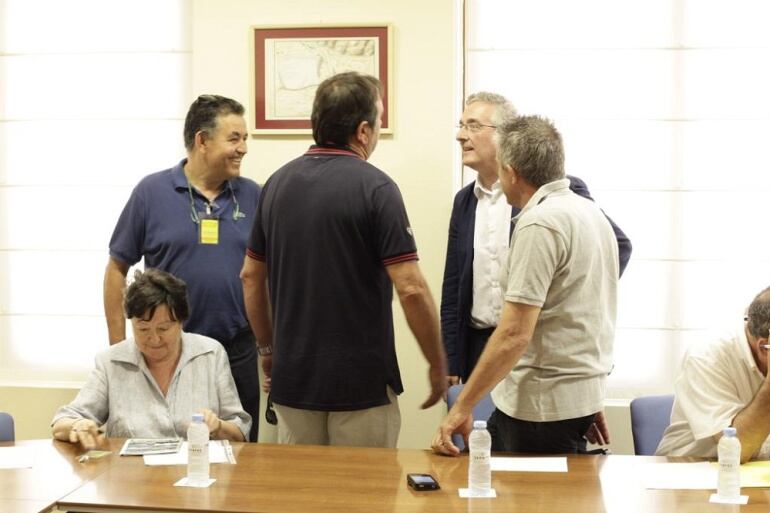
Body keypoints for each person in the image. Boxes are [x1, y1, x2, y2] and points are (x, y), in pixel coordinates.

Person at [240, 71, 447, 448]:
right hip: (362, 386)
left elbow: (251, 278)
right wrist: (436, 362)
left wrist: (268, 351)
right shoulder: (377, 188)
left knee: (300, 500)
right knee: (363, 499)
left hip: (294, 381)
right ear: (363, 131)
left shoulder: (274, 186)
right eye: (379, 120)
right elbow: (412, 288)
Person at [432, 116, 618, 456]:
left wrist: (461, 407)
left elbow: (514, 333)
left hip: (539, 409)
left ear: (511, 172)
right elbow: (586, 314)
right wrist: (585, 399)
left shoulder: (539, 223)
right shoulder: (590, 213)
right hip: (571, 403)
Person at [441, 92, 631, 386]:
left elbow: (617, 245)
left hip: (535, 344)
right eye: (462, 124)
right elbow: (453, 285)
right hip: (477, 346)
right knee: (480, 430)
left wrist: (570, 299)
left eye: (474, 126)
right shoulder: (464, 202)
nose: (460, 135)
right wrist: (450, 357)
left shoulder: (553, 190)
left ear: (505, 135)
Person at [103, 94, 261, 442]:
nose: (243, 148)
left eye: (245, 138)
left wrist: (269, 347)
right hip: (170, 350)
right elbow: (116, 268)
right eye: (234, 138)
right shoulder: (150, 192)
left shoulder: (254, 196)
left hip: (237, 351)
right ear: (202, 140)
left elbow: (271, 277)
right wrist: (120, 350)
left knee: (241, 451)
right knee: (168, 450)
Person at [53, 269, 251, 448]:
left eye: (163, 329)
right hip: (132, 481)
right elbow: (63, 421)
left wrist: (218, 427)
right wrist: (78, 426)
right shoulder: (111, 362)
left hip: (195, 475)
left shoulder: (210, 354)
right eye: (143, 329)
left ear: (181, 322)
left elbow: (240, 430)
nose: (154, 339)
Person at [656, 286, 770, 461]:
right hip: (690, 474)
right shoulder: (706, 356)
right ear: (764, 348)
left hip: (759, 475)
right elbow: (738, 448)